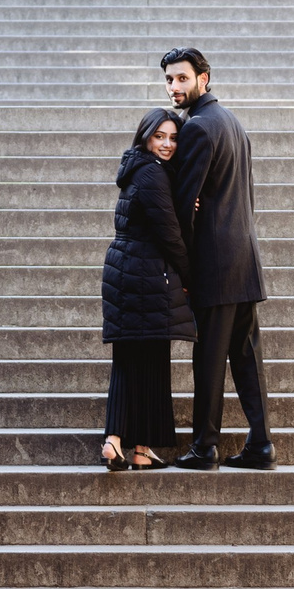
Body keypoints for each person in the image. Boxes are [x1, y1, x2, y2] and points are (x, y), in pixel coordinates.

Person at [161, 47, 273, 470]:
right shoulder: (233, 123)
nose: (175, 87)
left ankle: (204, 446)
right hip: (245, 260)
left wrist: (183, 269)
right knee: (247, 357)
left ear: (203, 79)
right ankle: (261, 444)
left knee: (209, 357)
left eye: (183, 79)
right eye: (170, 80)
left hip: (216, 264)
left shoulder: (198, 128)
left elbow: (183, 204)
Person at [99, 108, 193, 472]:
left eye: (173, 138)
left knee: (135, 359)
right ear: (145, 137)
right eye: (160, 137)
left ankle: (133, 446)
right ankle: (119, 440)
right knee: (147, 358)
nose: (167, 144)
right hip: (145, 273)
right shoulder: (153, 173)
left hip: (125, 270)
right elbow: (170, 233)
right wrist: (189, 276)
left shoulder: (140, 169)